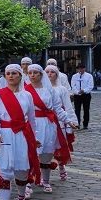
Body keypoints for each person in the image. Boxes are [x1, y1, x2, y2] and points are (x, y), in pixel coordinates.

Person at [0, 65, 40, 200]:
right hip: (5, 135)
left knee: (21, 168)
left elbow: (31, 119)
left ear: (20, 75)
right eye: (8, 74)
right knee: (4, 169)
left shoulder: (27, 96)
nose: (11, 76)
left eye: (14, 73)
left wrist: (35, 137)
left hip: (22, 135)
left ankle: (21, 197)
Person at [24, 65, 73, 193]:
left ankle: (45, 181)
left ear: (41, 75)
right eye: (30, 73)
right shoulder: (25, 91)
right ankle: (28, 183)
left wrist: (68, 120)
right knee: (31, 153)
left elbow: (57, 108)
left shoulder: (49, 90)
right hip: (32, 124)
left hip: (48, 124)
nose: (32, 75)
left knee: (46, 153)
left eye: (35, 73)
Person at [46, 65, 75, 181]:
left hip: (60, 121)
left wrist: (71, 122)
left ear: (57, 75)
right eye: (47, 72)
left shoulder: (62, 89)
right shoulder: (40, 89)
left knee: (59, 145)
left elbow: (68, 107)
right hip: (45, 121)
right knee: (45, 147)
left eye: (52, 72)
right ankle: (44, 173)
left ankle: (62, 166)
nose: (49, 74)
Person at [70, 62, 94, 129]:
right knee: (77, 110)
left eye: (82, 68)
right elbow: (73, 85)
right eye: (79, 69)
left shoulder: (89, 76)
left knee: (86, 110)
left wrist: (84, 90)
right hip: (77, 95)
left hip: (86, 95)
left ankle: (85, 124)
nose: (80, 70)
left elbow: (90, 86)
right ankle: (77, 123)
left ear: (84, 68)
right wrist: (77, 92)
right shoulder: (74, 76)